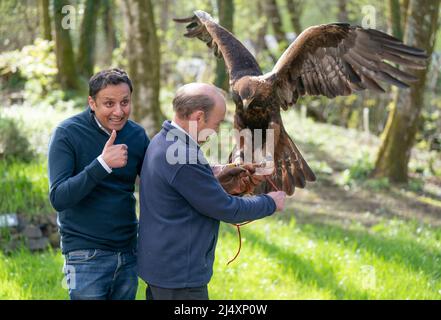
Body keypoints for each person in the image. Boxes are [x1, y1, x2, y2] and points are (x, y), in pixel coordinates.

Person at [137, 83, 286, 300]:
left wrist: (226, 179)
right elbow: (226, 209)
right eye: (216, 124)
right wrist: (270, 202)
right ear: (198, 117)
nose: (215, 132)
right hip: (179, 276)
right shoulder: (183, 156)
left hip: (164, 269)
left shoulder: (164, 140)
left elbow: (188, 191)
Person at [48, 68, 149, 300]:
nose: (119, 111)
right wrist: (102, 164)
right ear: (92, 102)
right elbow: (59, 198)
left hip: (127, 251)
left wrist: (212, 176)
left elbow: (160, 182)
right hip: (84, 255)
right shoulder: (67, 133)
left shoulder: (136, 135)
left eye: (125, 102)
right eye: (109, 103)